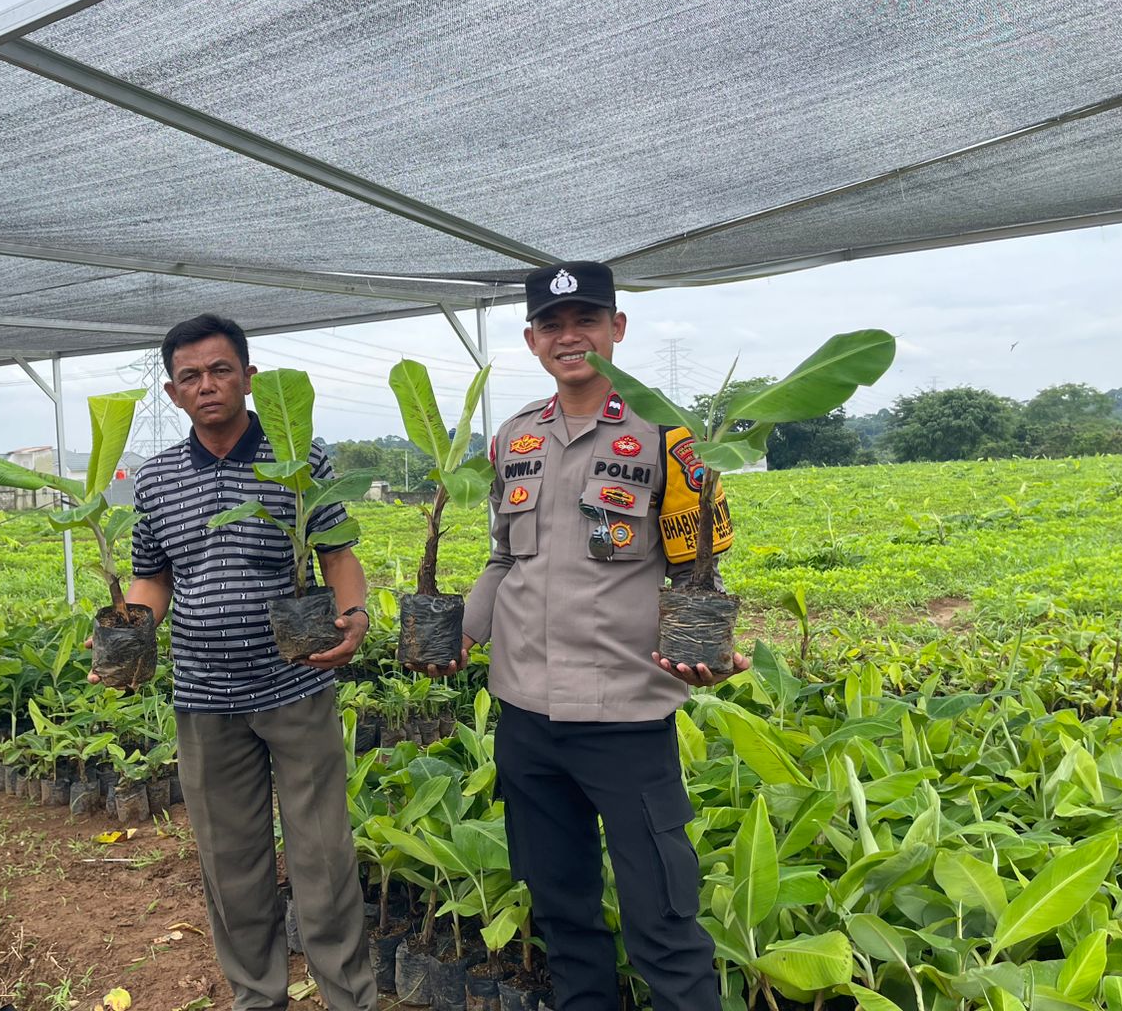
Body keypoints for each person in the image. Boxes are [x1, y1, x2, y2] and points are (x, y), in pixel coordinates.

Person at [443, 261, 749, 1011]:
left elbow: (698, 574)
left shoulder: (668, 438)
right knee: (561, 912)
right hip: (525, 716)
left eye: (585, 319)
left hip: (625, 719)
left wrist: (710, 649)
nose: (568, 336)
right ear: (532, 339)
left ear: (617, 327)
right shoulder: (515, 436)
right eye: (551, 324)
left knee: (662, 919)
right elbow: (503, 559)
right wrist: (460, 634)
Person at [95, 313, 377, 1011]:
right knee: (231, 864)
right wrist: (128, 640)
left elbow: (337, 555)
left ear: (248, 378)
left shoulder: (297, 460)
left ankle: (349, 998)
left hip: (295, 683)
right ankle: (257, 998)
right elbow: (153, 579)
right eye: (189, 376)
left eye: (221, 370)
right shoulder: (156, 480)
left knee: (322, 857)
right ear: (172, 392)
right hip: (203, 696)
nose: (207, 385)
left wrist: (355, 615)